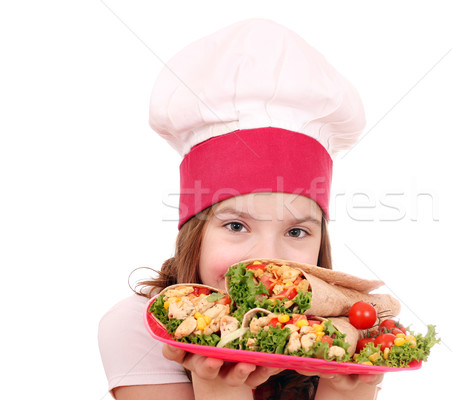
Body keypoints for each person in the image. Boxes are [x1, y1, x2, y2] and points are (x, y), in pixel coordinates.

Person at [98, 18, 384, 400]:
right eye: (235, 226)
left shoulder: (345, 331)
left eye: (296, 232)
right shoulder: (136, 328)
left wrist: (344, 388)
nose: (267, 260)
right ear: (194, 234)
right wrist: (216, 383)